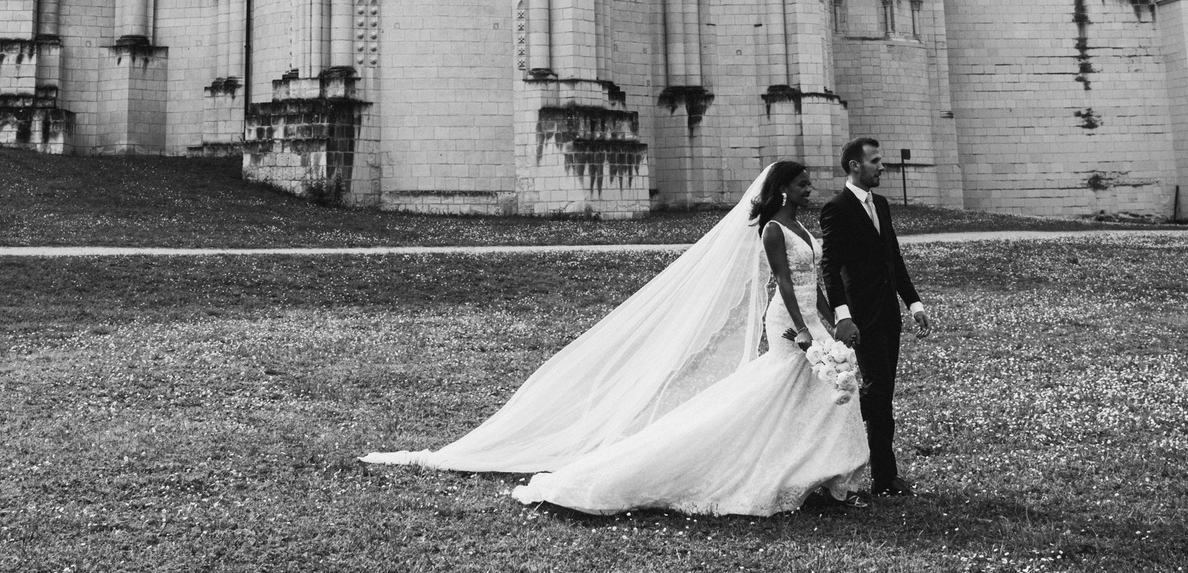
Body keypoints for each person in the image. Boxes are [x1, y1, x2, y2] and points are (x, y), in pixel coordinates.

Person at [365, 161, 871, 516]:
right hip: (787, 324)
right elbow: (782, 284)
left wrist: (830, 322)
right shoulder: (773, 232)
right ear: (784, 190)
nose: (810, 190)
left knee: (819, 393)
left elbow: (815, 283)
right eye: (803, 185)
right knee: (779, 391)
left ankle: (818, 472)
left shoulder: (805, 230)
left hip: (812, 320)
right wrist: (804, 334)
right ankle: (770, 467)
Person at [820, 136, 928, 496]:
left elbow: (892, 258)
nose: (882, 166)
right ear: (855, 166)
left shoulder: (881, 204)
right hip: (860, 317)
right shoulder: (837, 208)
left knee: (882, 392)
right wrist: (843, 315)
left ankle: (883, 473)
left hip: (888, 314)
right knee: (875, 391)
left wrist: (913, 303)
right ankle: (875, 469)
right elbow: (831, 268)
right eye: (875, 161)